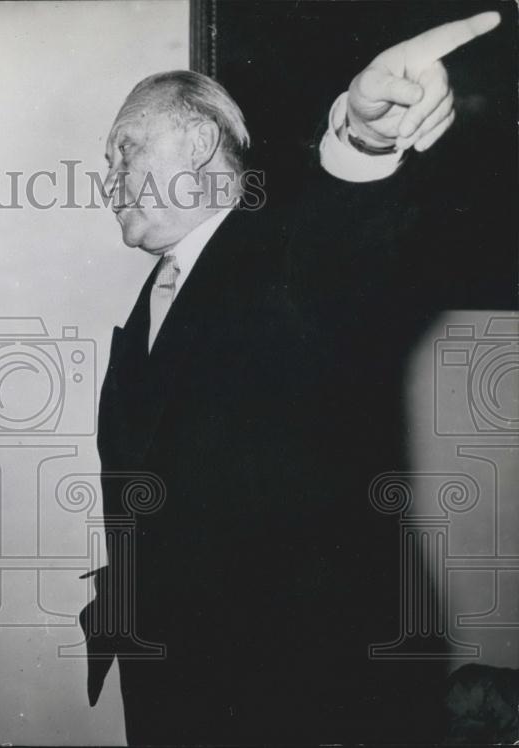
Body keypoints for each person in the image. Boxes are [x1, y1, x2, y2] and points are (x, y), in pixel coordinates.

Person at [79, 12, 501, 744]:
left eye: (125, 151)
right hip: (176, 685)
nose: (108, 179)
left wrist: (363, 133)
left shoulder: (278, 252)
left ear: (201, 140)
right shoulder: (162, 290)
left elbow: (342, 228)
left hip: (290, 692)